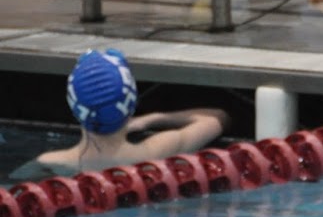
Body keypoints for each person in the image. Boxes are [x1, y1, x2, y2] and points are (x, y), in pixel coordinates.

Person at [28, 49, 227, 177]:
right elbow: (218, 117)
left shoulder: (47, 163)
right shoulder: (156, 152)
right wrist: (153, 118)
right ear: (130, 104)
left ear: (73, 105)